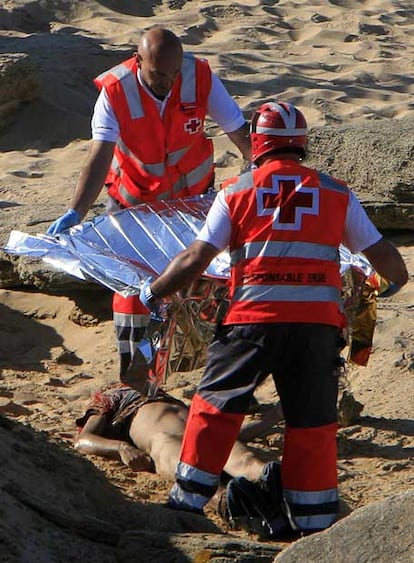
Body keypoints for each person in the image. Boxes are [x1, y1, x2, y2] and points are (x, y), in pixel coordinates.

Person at [139, 101, 408, 536]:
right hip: (316, 328)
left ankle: (188, 500)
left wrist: (152, 293)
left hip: (252, 321)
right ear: (301, 144)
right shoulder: (336, 193)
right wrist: (384, 288)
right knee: (313, 421)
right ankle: (316, 522)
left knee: (216, 407)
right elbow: (387, 261)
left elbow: (195, 257)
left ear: (257, 144)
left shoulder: (236, 191)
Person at [47, 26, 251, 380]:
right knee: (131, 288)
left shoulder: (199, 77)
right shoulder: (116, 90)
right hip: (133, 205)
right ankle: (133, 374)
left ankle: (209, 365)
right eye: (159, 75)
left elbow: (240, 134)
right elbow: (99, 155)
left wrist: (262, 174)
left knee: (209, 278)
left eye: (174, 73)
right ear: (138, 60)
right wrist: (75, 211)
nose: (168, 82)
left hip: (190, 201)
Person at [74, 384, 282, 481]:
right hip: (164, 439)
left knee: (250, 463)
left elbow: (236, 433)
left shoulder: (159, 390)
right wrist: (120, 447)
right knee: (192, 478)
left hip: (204, 430)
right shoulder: (109, 397)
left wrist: (275, 415)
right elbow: (83, 440)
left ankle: (277, 489)